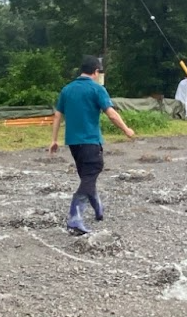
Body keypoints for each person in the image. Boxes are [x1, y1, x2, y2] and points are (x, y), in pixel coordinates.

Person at [49, 55, 136, 235]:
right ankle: (75, 217)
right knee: (92, 172)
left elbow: (57, 115)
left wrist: (54, 139)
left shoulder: (67, 89)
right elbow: (111, 114)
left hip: (73, 142)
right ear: (96, 71)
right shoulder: (97, 89)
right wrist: (126, 129)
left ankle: (97, 207)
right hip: (90, 141)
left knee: (87, 176)